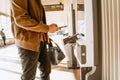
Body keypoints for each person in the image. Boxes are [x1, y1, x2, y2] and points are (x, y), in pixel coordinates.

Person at [10, 0, 60, 80]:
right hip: (28, 43)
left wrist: (46, 31)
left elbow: (37, 19)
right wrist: (47, 28)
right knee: (29, 76)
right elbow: (21, 19)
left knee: (46, 70)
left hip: (41, 41)